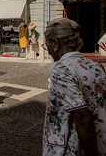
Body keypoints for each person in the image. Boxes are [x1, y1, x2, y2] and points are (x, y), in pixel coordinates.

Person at [42, 18, 106, 156]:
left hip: (71, 148)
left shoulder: (60, 68)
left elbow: (83, 116)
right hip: (99, 143)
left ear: (55, 43)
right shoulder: (97, 67)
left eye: (46, 45)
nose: (47, 51)